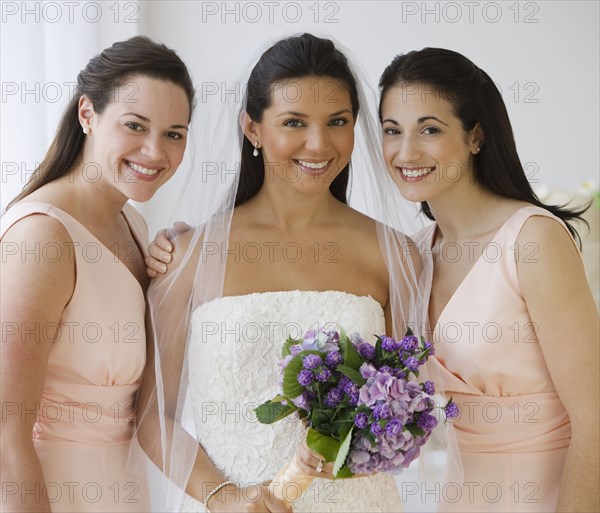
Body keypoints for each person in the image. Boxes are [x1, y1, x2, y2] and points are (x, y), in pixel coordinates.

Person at [135, 33, 440, 513]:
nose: (318, 144)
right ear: (253, 128)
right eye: (294, 122)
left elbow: (414, 398)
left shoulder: (394, 253)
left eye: (337, 122)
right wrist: (224, 497)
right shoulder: (191, 253)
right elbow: (155, 417)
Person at [378, 47, 599, 512]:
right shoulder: (410, 254)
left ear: (475, 136)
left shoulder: (532, 241)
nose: (406, 151)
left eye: (430, 129)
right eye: (392, 131)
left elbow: (595, 418)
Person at [0, 36, 195, 513]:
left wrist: (179, 275)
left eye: (174, 133)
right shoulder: (43, 237)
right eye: (135, 125)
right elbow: (5, 429)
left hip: (122, 490)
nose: (155, 151)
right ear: (87, 114)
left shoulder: (134, 224)